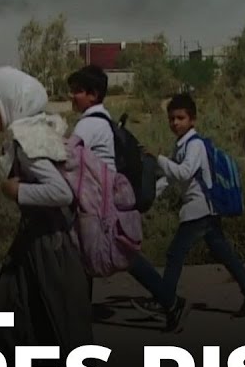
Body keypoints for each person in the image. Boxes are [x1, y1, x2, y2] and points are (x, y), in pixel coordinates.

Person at [0, 67, 95, 367]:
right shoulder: (32, 132)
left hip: (49, 245)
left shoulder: (28, 140)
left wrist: (17, 191)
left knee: (54, 322)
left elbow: (60, 192)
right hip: (35, 241)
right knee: (13, 314)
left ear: (7, 101)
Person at [131, 93, 245, 333]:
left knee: (175, 254)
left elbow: (183, 173)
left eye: (180, 118)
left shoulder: (194, 145)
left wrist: (157, 158)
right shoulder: (182, 145)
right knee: (223, 252)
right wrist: (146, 198)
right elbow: (171, 178)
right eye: (172, 119)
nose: (175, 123)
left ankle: (165, 298)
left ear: (192, 120)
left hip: (199, 210)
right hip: (204, 211)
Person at [66, 64, 170, 315]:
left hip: (100, 202)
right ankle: (81, 311)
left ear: (93, 94)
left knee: (121, 254)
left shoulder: (89, 125)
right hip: (106, 198)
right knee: (86, 251)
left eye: (77, 91)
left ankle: (172, 302)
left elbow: (67, 156)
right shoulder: (102, 120)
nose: (72, 96)